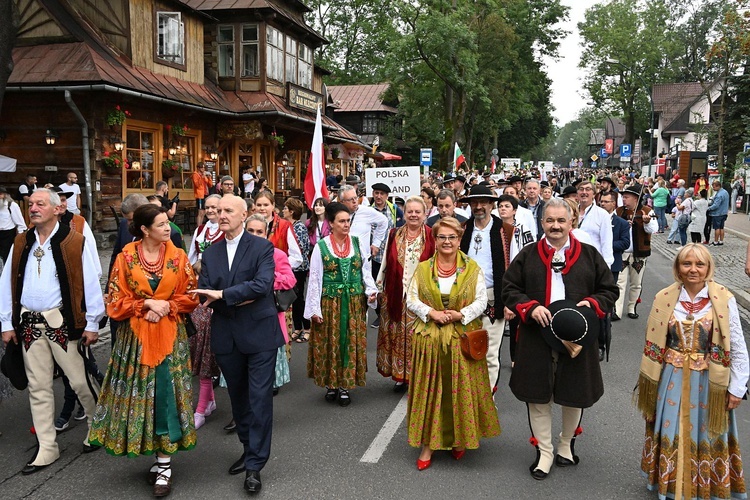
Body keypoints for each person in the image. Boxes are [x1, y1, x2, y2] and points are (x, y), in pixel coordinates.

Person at [501, 197, 619, 480]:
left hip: (578, 335)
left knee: (574, 393)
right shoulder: (527, 255)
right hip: (536, 334)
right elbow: (510, 288)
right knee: (538, 396)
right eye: (550, 221)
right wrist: (530, 307)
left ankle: (566, 444)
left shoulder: (590, 255)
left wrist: (592, 303)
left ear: (571, 222)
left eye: (561, 221)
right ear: (542, 223)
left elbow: (609, 290)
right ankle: (544, 451)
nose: (555, 226)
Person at [90, 204, 198, 497]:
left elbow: (191, 293)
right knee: (140, 395)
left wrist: (167, 306)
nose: (168, 228)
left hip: (169, 336)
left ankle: (165, 463)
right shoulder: (126, 256)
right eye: (161, 225)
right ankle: (148, 447)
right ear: (144, 229)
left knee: (166, 392)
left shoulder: (178, 255)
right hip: (135, 338)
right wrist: (145, 304)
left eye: (167, 222)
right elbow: (114, 298)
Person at [0, 188, 105, 475]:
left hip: (62, 322)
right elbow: (7, 281)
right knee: (38, 387)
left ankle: (98, 424)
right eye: (30, 204)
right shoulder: (20, 242)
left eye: (39, 204)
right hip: (29, 325)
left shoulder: (75, 241)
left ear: (57, 208)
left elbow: (91, 282)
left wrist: (93, 322)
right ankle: (47, 446)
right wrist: (7, 322)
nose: (33, 208)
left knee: (80, 380)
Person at [637, 244, 748, 499]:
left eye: (700, 264)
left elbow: (739, 347)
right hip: (671, 377)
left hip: (710, 380)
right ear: (678, 268)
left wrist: (737, 388)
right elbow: (653, 344)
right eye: (687, 264)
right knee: (671, 429)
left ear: (709, 268)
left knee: (706, 432)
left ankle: (704, 486)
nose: (693, 270)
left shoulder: (724, 299)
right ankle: (672, 484)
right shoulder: (665, 297)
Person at [193, 195, 284, 494]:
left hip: (259, 335)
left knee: (259, 400)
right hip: (227, 336)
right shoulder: (212, 251)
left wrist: (222, 295)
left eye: (228, 210)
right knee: (240, 399)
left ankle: (255, 465)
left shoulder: (261, 247)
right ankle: (248, 449)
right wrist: (225, 295)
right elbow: (204, 290)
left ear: (244, 214)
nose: (222, 215)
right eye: (218, 211)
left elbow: (262, 286)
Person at [406, 216, 499, 470]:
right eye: (442, 237)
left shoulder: (472, 268)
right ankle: (428, 443)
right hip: (430, 338)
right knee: (432, 390)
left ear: (459, 240)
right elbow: (410, 298)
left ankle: (460, 438)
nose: (447, 242)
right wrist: (431, 313)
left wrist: (461, 314)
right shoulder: (424, 268)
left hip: (462, 338)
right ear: (435, 240)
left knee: (461, 389)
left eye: (452, 237)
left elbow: (481, 301)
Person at [304, 202, 377, 407]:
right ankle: (332, 385)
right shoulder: (322, 246)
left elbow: (365, 271)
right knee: (331, 341)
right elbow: (316, 278)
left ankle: (345, 384)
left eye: (348, 221)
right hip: (330, 302)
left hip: (354, 301)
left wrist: (370, 291)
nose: (346, 225)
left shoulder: (357, 243)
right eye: (342, 221)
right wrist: (314, 309)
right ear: (331, 223)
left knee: (350, 341)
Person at [376, 196, 435, 392]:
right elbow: (385, 262)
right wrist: (378, 287)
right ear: (404, 213)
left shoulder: (431, 236)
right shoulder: (394, 234)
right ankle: (400, 376)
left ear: (425, 214)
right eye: (410, 211)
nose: (413, 215)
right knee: (397, 336)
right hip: (395, 294)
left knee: (417, 337)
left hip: (421, 297)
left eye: (418, 211)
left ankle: (417, 376)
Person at [459, 185, 508, 392]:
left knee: (489, 353)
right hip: (465, 298)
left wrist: (509, 301)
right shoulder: (461, 229)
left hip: (493, 297)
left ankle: (487, 402)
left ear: (491, 204)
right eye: (474, 202)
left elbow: (514, 266)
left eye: (483, 202)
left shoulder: (505, 230)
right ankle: (467, 399)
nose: (478, 207)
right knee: (465, 350)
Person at [245, 214, 296, 395]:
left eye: (260, 231)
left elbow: (290, 280)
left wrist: (267, 279)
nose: (255, 234)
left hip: (269, 318)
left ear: (266, 234)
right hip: (243, 318)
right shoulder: (236, 255)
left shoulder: (277, 254)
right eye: (250, 231)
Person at [186, 194, 223, 429]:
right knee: (200, 348)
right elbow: (191, 257)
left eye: (214, 207)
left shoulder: (226, 231)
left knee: (209, 351)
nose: (210, 210)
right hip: (200, 286)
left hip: (218, 288)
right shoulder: (201, 230)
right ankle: (206, 402)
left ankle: (204, 405)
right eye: (207, 207)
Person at [615, 184, 657, 320]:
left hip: (639, 253)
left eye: (626, 197)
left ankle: (632, 307)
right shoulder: (619, 211)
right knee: (619, 283)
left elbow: (653, 229)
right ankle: (617, 310)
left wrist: (646, 222)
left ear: (635, 199)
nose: (624, 200)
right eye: (623, 197)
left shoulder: (647, 211)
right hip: (623, 253)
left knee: (636, 283)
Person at [281, 197, 311, 342]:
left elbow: (303, 248)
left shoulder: (299, 227)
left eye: (286, 208)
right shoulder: (285, 225)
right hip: (288, 266)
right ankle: (297, 327)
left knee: (299, 298)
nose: (283, 210)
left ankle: (307, 327)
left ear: (292, 211)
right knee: (291, 299)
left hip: (299, 268)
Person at [337, 184, 388, 262]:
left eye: (355, 197)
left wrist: (376, 244)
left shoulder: (366, 211)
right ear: (342, 202)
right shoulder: (335, 213)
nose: (355, 201)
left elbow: (384, 221)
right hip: (342, 259)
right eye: (350, 199)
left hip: (363, 261)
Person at [254, 191, 303, 269]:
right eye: (259, 205)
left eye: (266, 205)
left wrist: (276, 267)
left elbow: (296, 257)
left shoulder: (284, 226)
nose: (262, 208)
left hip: (276, 275)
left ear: (273, 205)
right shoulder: (247, 225)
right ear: (254, 206)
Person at [577, 180, 614, 268]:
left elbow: (606, 242)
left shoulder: (602, 214)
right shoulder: (569, 212)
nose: (584, 192)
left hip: (592, 262)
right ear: (577, 193)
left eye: (588, 189)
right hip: (572, 262)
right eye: (581, 189)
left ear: (594, 194)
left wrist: (607, 266)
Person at [0, 186, 27, 263]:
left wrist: (21, 237)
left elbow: (20, 223)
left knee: (6, 256)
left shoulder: (11, 205)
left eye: (1, 194)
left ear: (5, 195)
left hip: (7, 235)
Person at [707, 179, 730, 246]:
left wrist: (708, 208)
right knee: (721, 227)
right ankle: (721, 241)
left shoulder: (719, 194)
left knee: (717, 228)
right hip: (724, 212)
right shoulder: (725, 192)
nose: (713, 188)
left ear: (718, 186)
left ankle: (716, 241)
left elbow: (716, 205)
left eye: (714, 187)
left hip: (717, 213)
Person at [191, 162, 214, 226]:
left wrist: (209, 178)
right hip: (200, 195)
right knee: (200, 212)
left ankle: (200, 226)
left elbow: (210, 185)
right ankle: (198, 228)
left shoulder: (204, 174)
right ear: (198, 168)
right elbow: (197, 185)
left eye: (204, 168)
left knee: (203, 212)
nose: (203, 169)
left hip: (206, 194)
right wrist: (202, 177)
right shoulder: (195, 174)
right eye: (202, 168)